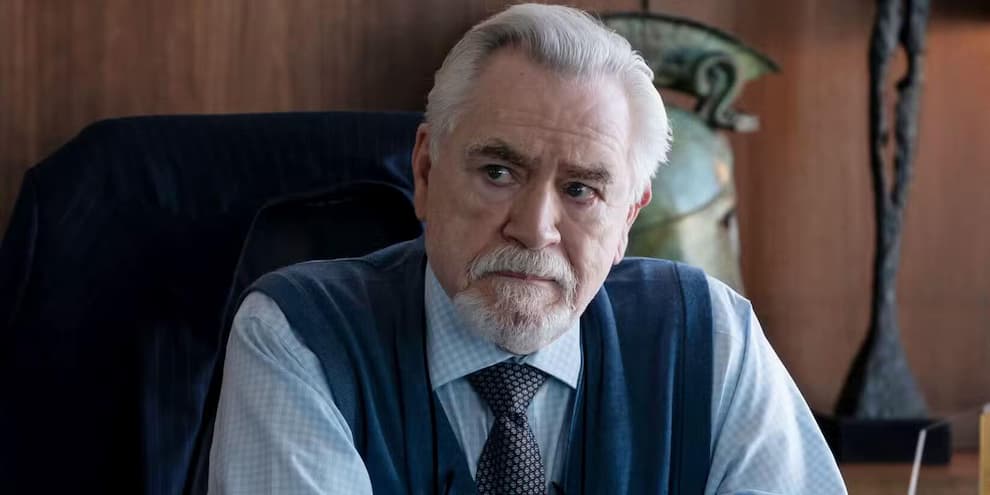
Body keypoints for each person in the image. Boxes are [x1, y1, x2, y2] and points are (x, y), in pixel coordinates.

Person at [208, 3, 847, 494]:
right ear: (425, 173)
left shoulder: (710, 338)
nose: (535, 228)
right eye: (498, 173)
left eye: (580, 190)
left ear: (628, 218)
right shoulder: (299, 337)